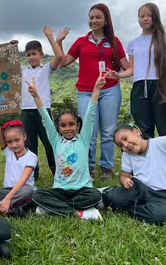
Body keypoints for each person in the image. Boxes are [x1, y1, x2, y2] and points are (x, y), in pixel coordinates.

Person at [57, 3, 129, 180]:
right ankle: (87, 166)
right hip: (86, 92)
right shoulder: (81, 41)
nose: (93, 20)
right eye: (91, 17)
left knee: (108, 131)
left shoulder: (114, 41)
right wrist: (58, 41)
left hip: (110, 90)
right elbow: (63, 61)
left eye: (98, 17)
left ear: (106, 20)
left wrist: (117, 75)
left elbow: (128, 68)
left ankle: (106, 167)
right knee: (88, 131)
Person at [28, 73, 106, 220]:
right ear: (58, 128)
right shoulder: (56, 140)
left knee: (95, 195)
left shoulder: (83, 139)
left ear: (77, 126)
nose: (67, 128)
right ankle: (78, 212)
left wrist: (96, 88)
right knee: (37, 194)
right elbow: (45, 117)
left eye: (71, 124)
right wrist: (36, 96)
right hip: (60, 190)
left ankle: (55, 208)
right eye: (63, 125)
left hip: (83, 190)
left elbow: (90, 114)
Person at [105, 3, 166, 138]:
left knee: (165, 128)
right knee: (144, 129)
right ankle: (148, 159)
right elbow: (131, 69)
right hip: (139, 88)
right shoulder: (133, 43)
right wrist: (118, 75)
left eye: (149, 16)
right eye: (141, 16)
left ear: (155, 17)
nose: (145, 19)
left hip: (161, 86)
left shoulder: (165, 38)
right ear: (138, 18)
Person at [101, 122, 166, 225]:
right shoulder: (127, 154)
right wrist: (124, 180)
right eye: (121, 145)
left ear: (136, 132)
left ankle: (127, 208)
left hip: (161, 194)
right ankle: (108, 194)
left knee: (161, 216)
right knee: (112, 197)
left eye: (125, 138)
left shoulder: (162, 143)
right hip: (138, 188)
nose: (125, 145)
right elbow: (124, 175)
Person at [18, 26, 63, 180]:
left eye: (34, 54)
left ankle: (57, 172)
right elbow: (5, 65)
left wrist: (51, 37)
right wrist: (11, 48)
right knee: (29, 145)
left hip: (43, 111)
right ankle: (33, 176)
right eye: (28, 55)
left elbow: (59, 55)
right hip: (26, 111)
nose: (31, 57)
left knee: (50, 143)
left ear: (41, 54)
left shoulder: (46, 70)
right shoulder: (23, 70)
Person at [0, 96, 37, 215]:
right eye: (9, 142)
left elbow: (23, 180)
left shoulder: (31, 157)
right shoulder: (9, 152)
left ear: (24, 137)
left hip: (22, 190)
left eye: (17, 140)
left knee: (29, 191)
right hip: (7, 190)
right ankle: (13, 209)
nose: (14, 145)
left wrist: (8, 199)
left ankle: (2, 206)